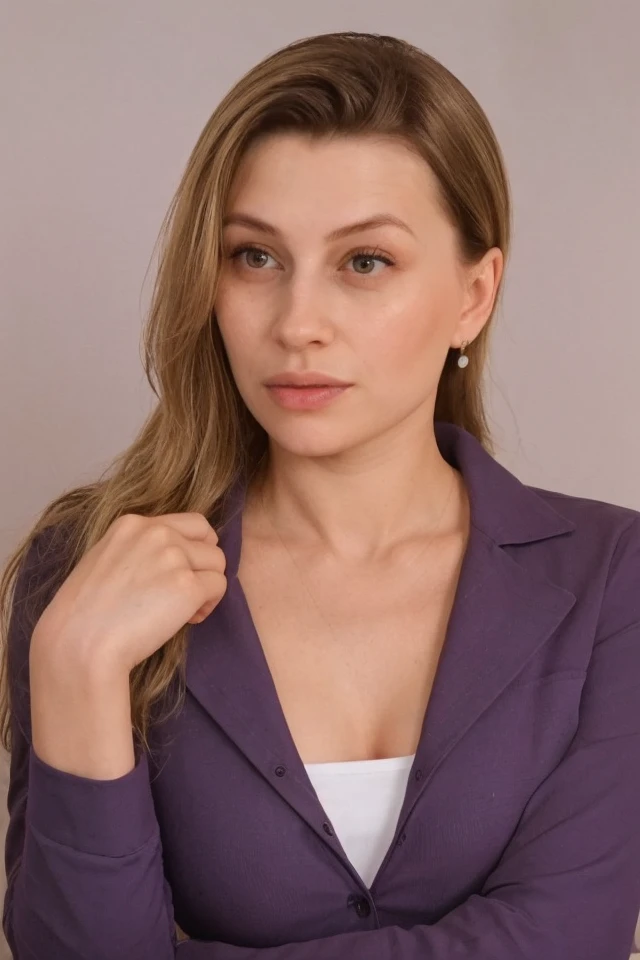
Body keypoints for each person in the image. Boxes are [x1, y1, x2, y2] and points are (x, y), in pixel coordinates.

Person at [1, 29, 639, 960]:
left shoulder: (611, 580)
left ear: (474, 293)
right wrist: (74, 669)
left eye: (364, 262)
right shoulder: (89, 572)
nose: (298, 324)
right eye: (255, 257)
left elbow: (568, 940)